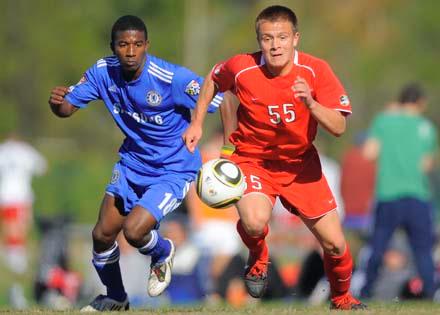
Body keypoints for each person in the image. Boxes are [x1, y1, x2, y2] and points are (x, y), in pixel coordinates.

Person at [183, 5, 366, 310]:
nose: (275, 45)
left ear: (296, 38)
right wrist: (197, 122)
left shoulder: (315, 71)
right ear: (259, 40)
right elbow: (214, 80)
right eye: (267, 38)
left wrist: (311, 103)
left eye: (282, 37)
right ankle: (258, 258)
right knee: (254, 222)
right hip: (253, 160)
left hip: (300, 165)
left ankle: (342, 298)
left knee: (335, 243)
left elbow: (339, 126)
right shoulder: (242, 67)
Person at [48, 15, 223, 311]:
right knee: (102, 235)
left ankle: (163, 249)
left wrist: (211, 134)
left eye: (137, 44)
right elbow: (68, 107)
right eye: (124, 44)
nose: (131, 51)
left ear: (147, 45)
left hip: (173, 169)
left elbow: (219, 95)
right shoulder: (103, 72)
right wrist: (57, 105)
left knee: (134, 231)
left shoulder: (170, 77)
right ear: (113, 47)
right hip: (132, 164)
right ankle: (116, 297)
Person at [360, 83, 438, 299]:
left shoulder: (383, 121)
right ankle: (430, 294)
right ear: (420, 102)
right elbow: (427, 164)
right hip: (417, 195)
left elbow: (369, 152)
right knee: (422, 250)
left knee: (378, 247)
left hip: (388, 194)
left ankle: (366, 291)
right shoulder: (426, 127)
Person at [0, 132, 47, 308]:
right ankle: (16, 285)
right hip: (19, 198)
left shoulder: (3, 150)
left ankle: (16, 286)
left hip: (5, 198)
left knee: (13, 240)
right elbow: (43, 167)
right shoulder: (25, 151)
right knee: (17, 241)